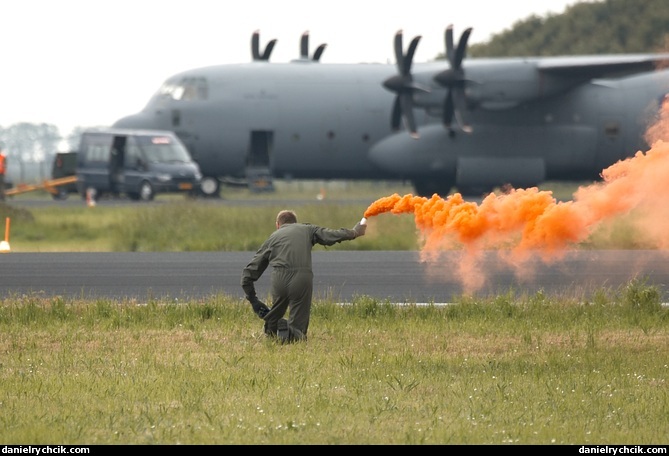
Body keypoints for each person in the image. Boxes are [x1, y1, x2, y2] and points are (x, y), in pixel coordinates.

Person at [241, 209, 367, 343]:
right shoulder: (307, 229)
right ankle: (293, 334)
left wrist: (253, 300)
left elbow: (249, 272)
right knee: (299, 322)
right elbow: (331, 235)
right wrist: (354, 232)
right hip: (301, 278)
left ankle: (273, 332)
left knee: (275, 313)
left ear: (278, 224)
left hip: (279, 277)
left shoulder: (273, 237)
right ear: (296, 223)